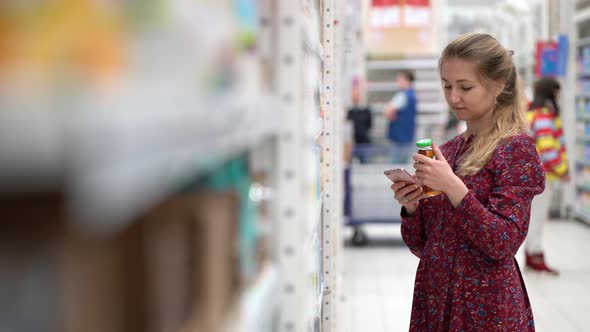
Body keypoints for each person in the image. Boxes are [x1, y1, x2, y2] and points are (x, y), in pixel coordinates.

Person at [390, 33, 545, 331]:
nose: (453, 97)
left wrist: (452, 186)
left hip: (485, 305)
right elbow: (424, 245)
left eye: (465, 87)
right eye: (447, 85)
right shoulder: (447, 152)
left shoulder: (516, 149)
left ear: (497, 86)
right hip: (434, 298)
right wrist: (411, 208)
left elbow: (503, 242)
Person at [525, 77, 568, 275]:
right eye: (557, 91)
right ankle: (534, 254)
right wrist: (562, 169)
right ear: (551, 92)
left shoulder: (534, 112)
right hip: (544, 174)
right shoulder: (543, 115)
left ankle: (533, 253)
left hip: (536, 173)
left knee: (535, 215)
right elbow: (548, 148)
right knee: (538, 216)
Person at [385, 70, 417, 163]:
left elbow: (388, 111)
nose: (398, 82)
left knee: (395, 168)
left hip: (398, 139)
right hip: (408, 136)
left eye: (399, 79)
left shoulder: (402, 96)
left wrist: (392, 115)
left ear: (406, 80)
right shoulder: (413, 95)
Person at [346, 88, 373, 163]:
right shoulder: (350, 111)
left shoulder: (366, 110)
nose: (356, 97)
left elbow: (369, 125)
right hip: (353, 143)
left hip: (364, 142)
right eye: (354, 96)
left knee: (365, 162)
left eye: (357, 95)